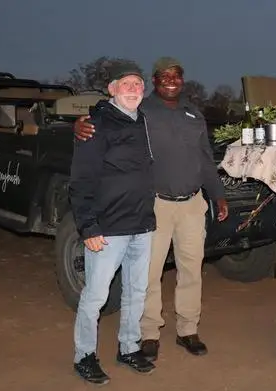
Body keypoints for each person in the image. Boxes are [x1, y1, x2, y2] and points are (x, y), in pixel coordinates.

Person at [73, 57, 229, 362]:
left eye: (177, 76)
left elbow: (206, 158)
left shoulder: (194, 114)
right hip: (154, 204)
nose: (171, 80)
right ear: (154, 81)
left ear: (182, 80)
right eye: (164, 76)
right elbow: (106, 119)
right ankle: (148, 333)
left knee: (191, 269)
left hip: (192, 204)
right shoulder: (142, 110)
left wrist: (218, 195)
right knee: (147, 273)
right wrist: (78, 125)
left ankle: (188, 328)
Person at [69, 63, 156, 385]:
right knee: (96, 296)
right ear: (112, 89)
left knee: (136, 292)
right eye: (127, 84)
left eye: (138, 84)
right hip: (108, 229)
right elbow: (80, 179)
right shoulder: (96, 124)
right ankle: (84, 355)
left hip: (142, 224)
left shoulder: (144, 122)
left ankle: (129, 346)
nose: (134, 89)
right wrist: (88, 226)